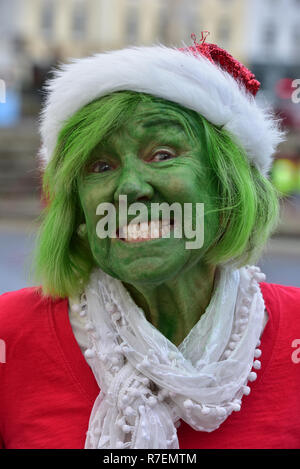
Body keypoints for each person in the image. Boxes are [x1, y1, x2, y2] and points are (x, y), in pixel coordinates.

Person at [1, 36, 300, 450]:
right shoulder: (9, 334)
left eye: (162, 154)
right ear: (79, 214)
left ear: (228, 185)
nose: (129, 187)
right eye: (100, 165)